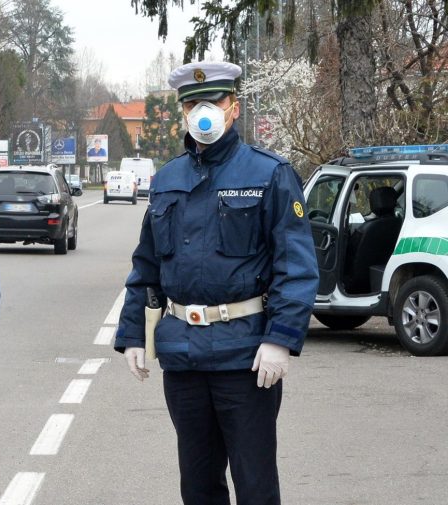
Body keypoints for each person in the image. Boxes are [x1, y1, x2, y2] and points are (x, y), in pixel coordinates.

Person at [114, 61, 319, 505]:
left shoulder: (270, 174)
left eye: (214, 101)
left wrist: (280, 339)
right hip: (184, 361)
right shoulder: (167, 180)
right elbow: (147, 266)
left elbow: (296, 266)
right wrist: (133, 334)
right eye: (191, 102)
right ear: (182, 111)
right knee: (198, 486)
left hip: (245, 360)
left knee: (255, 484)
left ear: (234, 108)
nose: (202, 110)